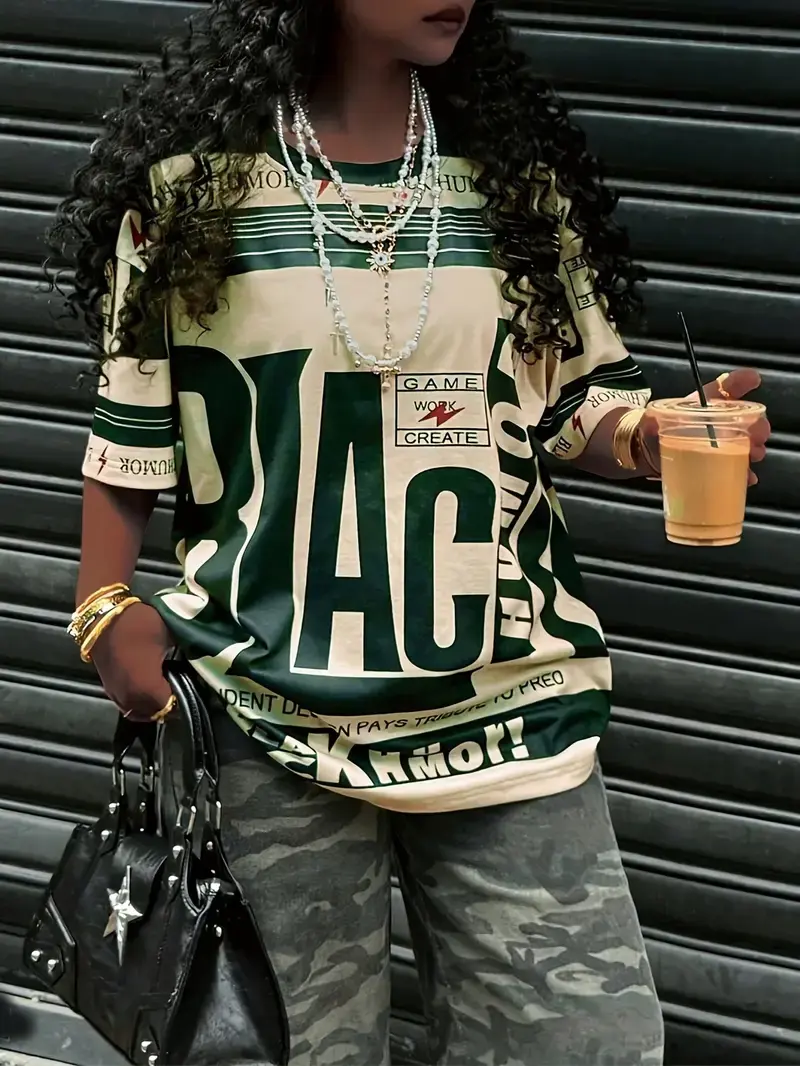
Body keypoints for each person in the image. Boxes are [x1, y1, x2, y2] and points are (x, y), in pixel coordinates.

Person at [56, 1, 770, 1063]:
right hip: (268, 711)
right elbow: (132, 431)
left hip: (507, 711)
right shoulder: (191, 200)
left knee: (588, 1044)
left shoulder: (513, 191)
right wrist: (102, 607)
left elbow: (573, 401)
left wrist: (650, 434)